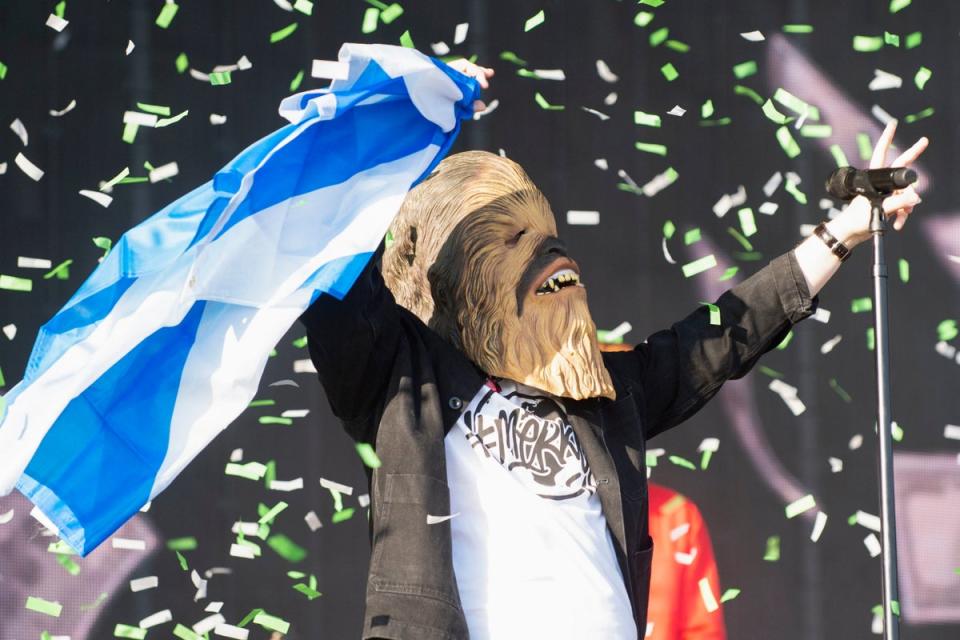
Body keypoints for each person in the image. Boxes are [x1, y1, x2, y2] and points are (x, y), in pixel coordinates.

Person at [300, 58, 927, 639]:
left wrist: (843, 230)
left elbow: (728, 333)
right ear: (454, 276)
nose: (550, 252)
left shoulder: (604, 399)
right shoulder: (402, 387)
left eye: (549, 234)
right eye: (514, 237)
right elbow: (337, 272)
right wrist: (390, 104)